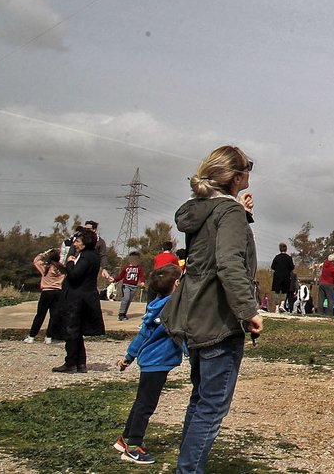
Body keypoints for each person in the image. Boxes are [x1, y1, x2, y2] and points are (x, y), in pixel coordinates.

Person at [161, 145, 263, 473]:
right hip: (218, 319)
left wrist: (239, 213)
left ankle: (186, 467)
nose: (250, 171)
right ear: (236, 176)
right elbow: (229, 263)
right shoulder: (227, 212)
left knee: (200, 399)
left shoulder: (203, 208)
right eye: (248, 166)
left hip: (194, 315)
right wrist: (249, 311)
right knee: (212, 407)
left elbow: (208, 249)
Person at [114, 264, 183, 465]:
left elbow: (143, 333)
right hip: (158, 362)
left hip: (148, 360)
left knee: (140, 401)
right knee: (146, 405)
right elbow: (182, 335)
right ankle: (133, 447)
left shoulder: (156, 306)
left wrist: (129, 356)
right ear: (177, 284)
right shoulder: (173, 308)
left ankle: (124, 439)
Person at [48, 229, 106, 372]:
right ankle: (80, 363)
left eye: (78, 241)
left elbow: (74, 275)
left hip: (77, 298)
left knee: (71, 330)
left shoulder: (86, 257)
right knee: (77, 331)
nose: (75, 244)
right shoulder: (91, 255)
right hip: (83, 296)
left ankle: (71, 362)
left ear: (85, 243)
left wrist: (69, 262)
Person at [26, 248, 66, 344]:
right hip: (58, 292)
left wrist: (45, 253)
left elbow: (36, 260)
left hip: (47, 291)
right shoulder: (62, 268)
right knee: (54, 315)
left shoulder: (46, 267)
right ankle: (49, 337)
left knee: (40, 315)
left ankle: (32, 336)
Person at [113, 252, 146, 321]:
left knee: (129, 301)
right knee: (126, 298)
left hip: (134, 286)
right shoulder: (126, 267)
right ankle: (121, 314)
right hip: (126, 286)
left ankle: (124, 313)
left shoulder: (139, 269)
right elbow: (121, 276)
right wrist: (114, 280)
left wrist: (142, 281)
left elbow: (141, 276)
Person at [270, 243, 295, 311]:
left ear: (279, 249)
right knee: (285, 291)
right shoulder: (289, 258)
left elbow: (272, 267)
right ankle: (282, 304)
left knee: (277, 292)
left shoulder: (277, 257)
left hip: (277, 277)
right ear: (286, 249)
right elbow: (292, 267)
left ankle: (277, 308)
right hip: (286, 277)